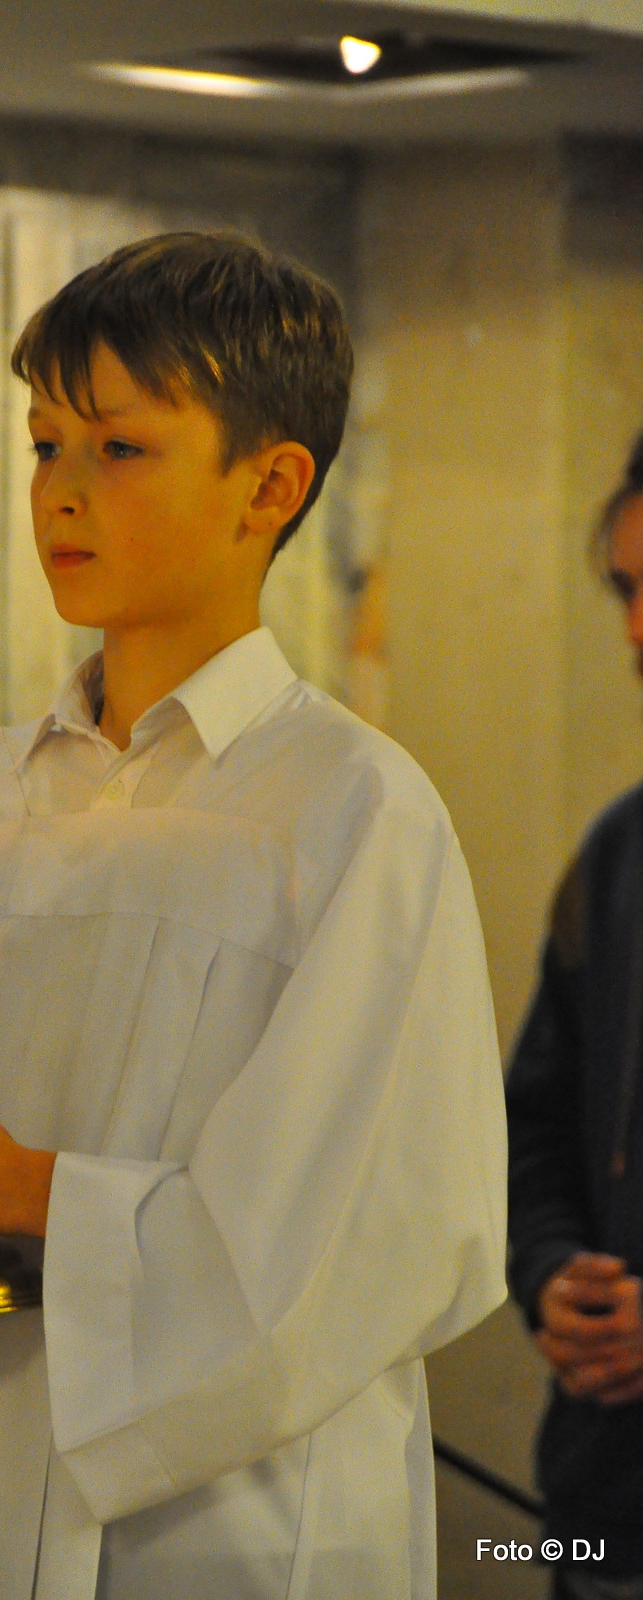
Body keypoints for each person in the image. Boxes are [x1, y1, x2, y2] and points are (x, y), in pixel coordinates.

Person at [0, 231, 507, 1600]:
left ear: (269, 485)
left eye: (120, 448)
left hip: (230, 1528)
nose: (61, 491)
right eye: (44, 445)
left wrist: (24, 1190)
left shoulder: (351, 811)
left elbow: (379, 1230)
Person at [506, 434, 643, 1600]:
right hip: (605, 1514)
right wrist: (552, 1273)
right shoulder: (617, 856)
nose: (637, 628)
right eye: (626, 590)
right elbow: (536, 1122)